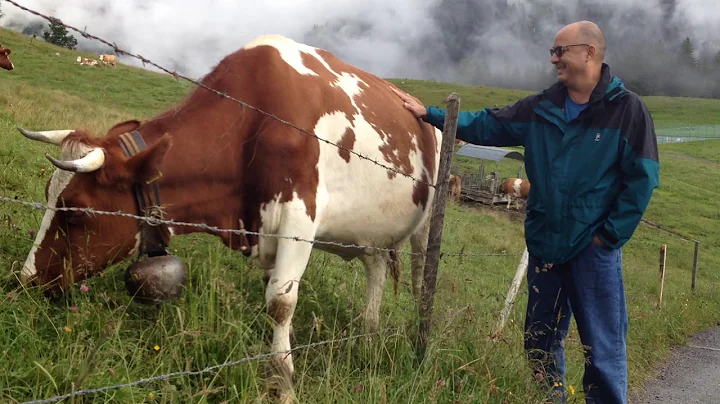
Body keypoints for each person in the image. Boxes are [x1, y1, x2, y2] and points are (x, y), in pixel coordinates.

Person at [392, 20, 659, 404]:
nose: (553, 59)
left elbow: (643, 178)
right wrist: (433, 114)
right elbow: (488, 124)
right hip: (546, 243)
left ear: (590, 52)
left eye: (560, 51)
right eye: (552, 51)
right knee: (540, 342)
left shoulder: (627, 110)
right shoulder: (543, 106)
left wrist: (609, 237)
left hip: (593, 249)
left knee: (602, 348)